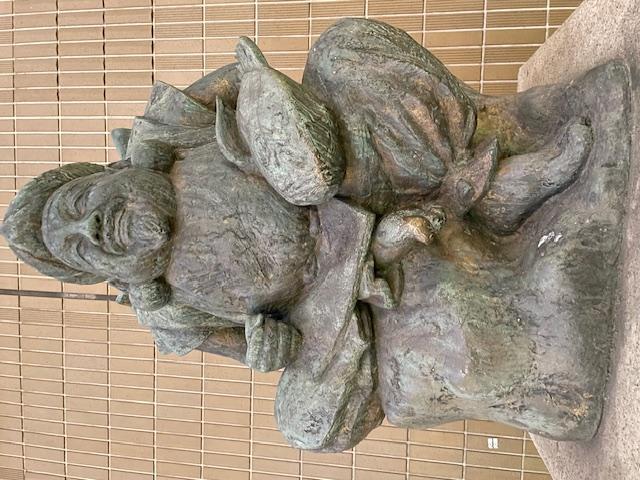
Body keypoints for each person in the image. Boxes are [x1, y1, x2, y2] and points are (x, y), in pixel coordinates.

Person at [2, 18, 624, 452]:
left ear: (106, 172)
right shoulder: (168, 310)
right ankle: (486, 225)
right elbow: (250, 348)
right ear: (100, 274)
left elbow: (239, 79)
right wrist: (264, 346)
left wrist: (264, 107)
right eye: (78, 246)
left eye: (80, 206)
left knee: (342, 53)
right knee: (305, 424)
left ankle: (499, 168)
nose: (92, 227)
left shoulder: (170, 134)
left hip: (347, 168)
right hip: (329, 293)